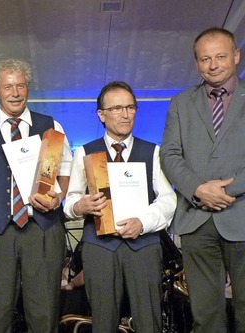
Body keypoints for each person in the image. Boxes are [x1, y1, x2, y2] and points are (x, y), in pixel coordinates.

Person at [0, 58, 72, 332]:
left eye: (21, 85)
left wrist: (59, 197)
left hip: (43, 231)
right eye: (8, 86)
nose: (15, 92)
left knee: (45, 317)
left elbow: (65, 171)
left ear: (28, 89)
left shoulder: (51, 126)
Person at [63, 81, 176, 332]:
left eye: (130, 107)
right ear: (101, 115)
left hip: (144, 247)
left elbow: (168, 199)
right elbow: (69, 201)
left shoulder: (153, 152)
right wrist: (79, 206)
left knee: (150, 320)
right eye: (116, 109)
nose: (125, 114)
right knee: (102, 321)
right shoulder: (84, 153)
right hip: (99, 248)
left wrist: (143, 223)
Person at [160, 27, 245, 332]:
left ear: (235, 56)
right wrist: (198, 190)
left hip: (242, 216)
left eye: (221, 56)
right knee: (205, 315)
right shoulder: (181, 103)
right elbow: (169, 155)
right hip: (197, 220)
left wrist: (225, 190)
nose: (213, 65)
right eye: (205, 59)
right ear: (196, 63)